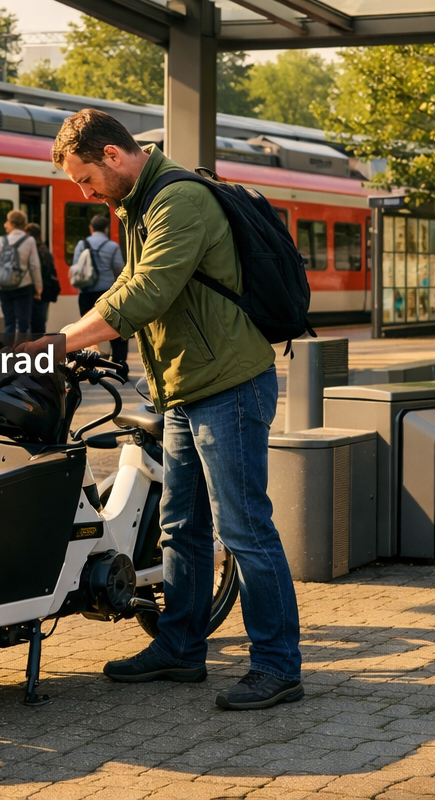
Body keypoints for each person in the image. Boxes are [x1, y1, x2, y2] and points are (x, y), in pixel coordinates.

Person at [49, 108, 302, 712]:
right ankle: (181, 647)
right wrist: (67, 333)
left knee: (244, 529)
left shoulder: (177, 199)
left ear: (112, 155)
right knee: (180, 527)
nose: (85, 194)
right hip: (186, 389)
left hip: (230, 387)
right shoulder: (137, 204)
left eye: (86, 179)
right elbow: (124, 286)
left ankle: (277, 666)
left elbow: (149, 290)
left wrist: (60, 344)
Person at [73, 212, 128, 377]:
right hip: (107, 293)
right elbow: (120, 268)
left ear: (91, 228)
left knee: (87, 331)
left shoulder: (81, 245)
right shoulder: (112, 246)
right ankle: (120, 367)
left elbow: (76, 268)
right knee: (116, 331)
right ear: (105, 229)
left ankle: (88, 369)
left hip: (86, 293)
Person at [0, 209, 39, 339]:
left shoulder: (0, 240)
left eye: (7, 221)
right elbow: (34, 266)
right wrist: (38, 288)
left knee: (9, 323)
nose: (5, 224)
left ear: (11, 223)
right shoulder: (29, 241)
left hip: (4, 287)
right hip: (24, 287)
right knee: (23, 324)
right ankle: (21, 353)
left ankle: (7, 353)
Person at [29, 228, 60, 336]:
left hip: (35, 291)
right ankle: (39, 344)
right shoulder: (44, 250)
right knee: (41, 320)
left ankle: (32, 346)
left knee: (32, 322)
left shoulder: (32, 251)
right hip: (46, 289)